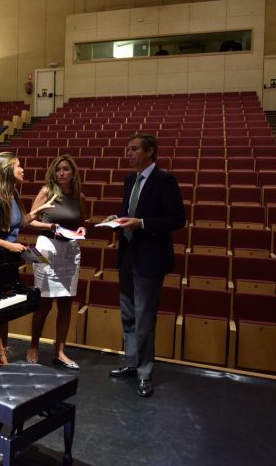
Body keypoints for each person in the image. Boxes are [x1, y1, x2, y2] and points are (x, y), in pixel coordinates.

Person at [102, 133, 185, 397]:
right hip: (128, 254)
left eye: (134, 149)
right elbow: (129, 211)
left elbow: (177, 219)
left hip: (150, 257)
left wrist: (143, 223)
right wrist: (118, 218)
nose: (128, 153)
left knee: (145, 317)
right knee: (128, 314)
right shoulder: (130, 180)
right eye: (127, 149)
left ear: (150, 152)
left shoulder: (164, 180)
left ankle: (145, 373)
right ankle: (131, 363)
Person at [0, 151, 55, 374]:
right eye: (19, 166)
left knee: (4, 310)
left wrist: (38, 212)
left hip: (8, 260)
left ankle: (0, 354)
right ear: (7, 170)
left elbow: (18, 225)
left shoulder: (13, 194)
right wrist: (9, 246)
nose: (22, 169)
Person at [26, 154, 87, 370]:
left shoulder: (79, 196)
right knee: (43, 302)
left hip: (70, 250)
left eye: (66, 169)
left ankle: (59, 351)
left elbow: (81, 223)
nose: (61, 173)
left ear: (73, 173)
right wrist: (49, 227)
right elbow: (30, 220)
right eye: (58, 169)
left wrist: (82, 230)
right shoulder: (47, 192)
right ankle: (34, 345)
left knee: (65, 303)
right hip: (48, 247)